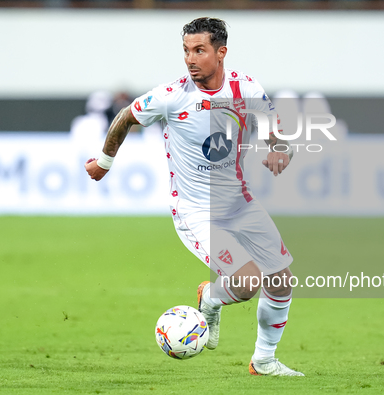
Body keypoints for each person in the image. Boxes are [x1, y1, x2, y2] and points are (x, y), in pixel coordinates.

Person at [85, 17, 303, 377]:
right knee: (248, 282)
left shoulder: (245, 88)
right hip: (196, 211)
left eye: (199, 50)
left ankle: (264, 361)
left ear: (221, 53)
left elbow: (277, 136)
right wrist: (105, 162)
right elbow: (126, 116)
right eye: (186, 50)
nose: (190, 58)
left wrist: (282, 152)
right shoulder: (172, 96)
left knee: (281, 280)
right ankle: (211, 298)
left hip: (239, 203)